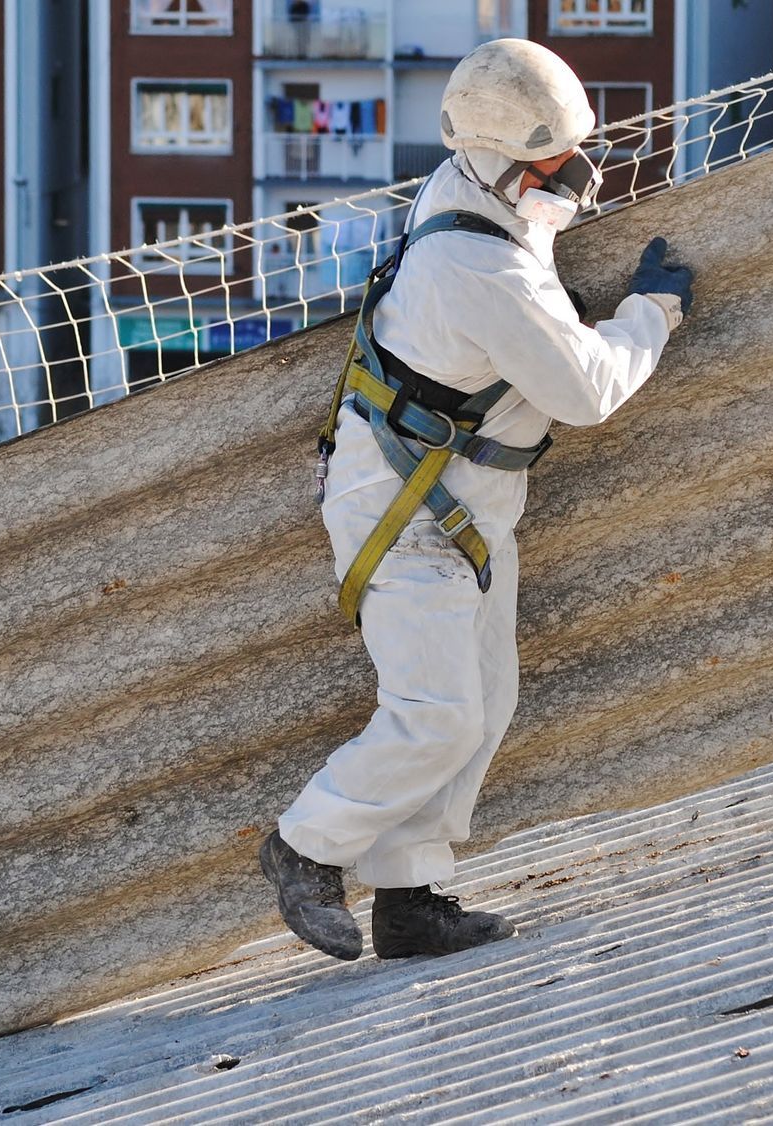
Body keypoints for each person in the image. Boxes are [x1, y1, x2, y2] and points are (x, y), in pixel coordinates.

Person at [261, 38, 695, 961]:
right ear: (499, 161)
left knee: (484, 705)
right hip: (403, 510)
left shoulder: (474, 192)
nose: (574, 177)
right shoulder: (476, 265)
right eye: (552, 164)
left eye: (574, 154)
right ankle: (304, 848)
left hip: (466, 504)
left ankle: (410, 900)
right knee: (439, 713)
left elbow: (530, 261)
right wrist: (650, 315)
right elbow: (586, 391)